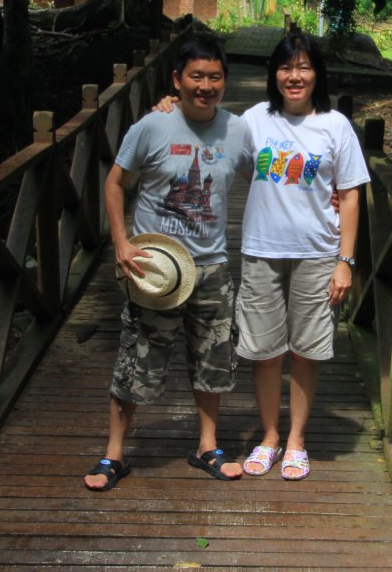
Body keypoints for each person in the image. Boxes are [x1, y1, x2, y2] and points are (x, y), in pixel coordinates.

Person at [84, 37, 252, 491]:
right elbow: (115, 183)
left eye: (214, 77)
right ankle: (114, 454)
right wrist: (120, 241)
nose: (206, 86)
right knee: (137, 359)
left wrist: (329, 197)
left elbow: (270, 179)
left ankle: (207, 445)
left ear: (224, 81)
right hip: (157, 268)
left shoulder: (238, 130)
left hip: (213, 266)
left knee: (213, 358)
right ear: (176, 80)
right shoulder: (151, 127)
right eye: (195, 76)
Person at [236, 32, 370, 481]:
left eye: (304, 68)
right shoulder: (254, 119)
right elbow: (208, 135)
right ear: (273, 74)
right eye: (286, 68)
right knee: (265, 352)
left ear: (317, 75)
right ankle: (270, 437)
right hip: (261, 251)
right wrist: (168, 106)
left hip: (317, 254)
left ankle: (296, 440)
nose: (294, 76)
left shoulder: (335, 126)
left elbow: (350, 196)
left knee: (306, 351)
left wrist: (344, 262)